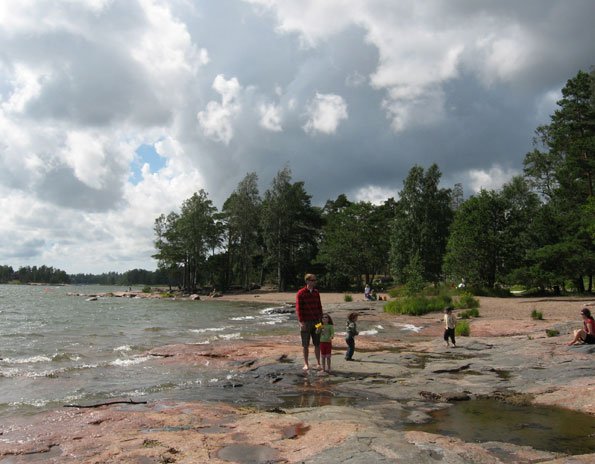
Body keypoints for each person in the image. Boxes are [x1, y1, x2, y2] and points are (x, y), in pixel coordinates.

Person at [296, 273, 323, 370]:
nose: (314, 282)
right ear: (307, 281)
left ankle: (319, 363)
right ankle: (306, 364)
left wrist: (321, 322)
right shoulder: (301, 293)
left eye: (315, 280)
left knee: (317, 343)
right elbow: (299, 309)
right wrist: (301, 322)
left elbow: (319, 307)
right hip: (305, 322)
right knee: (305, 345)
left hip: (317, 322)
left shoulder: (316, 292)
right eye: (312, 280)